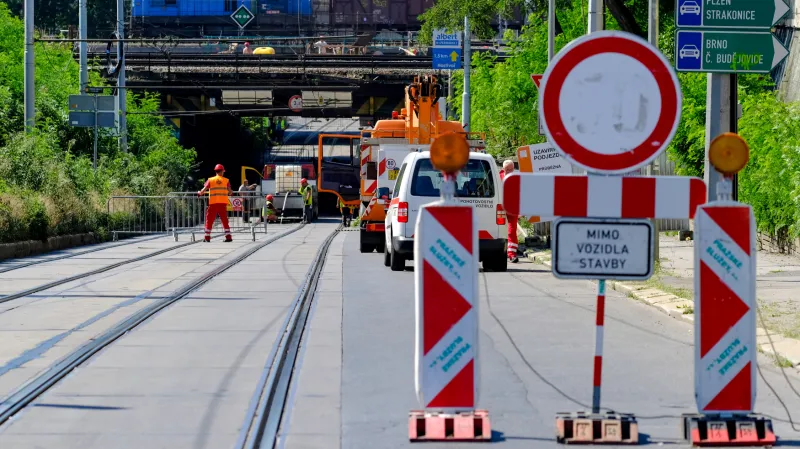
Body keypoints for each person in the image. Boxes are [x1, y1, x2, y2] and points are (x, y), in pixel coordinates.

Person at [198, 164, 233, 242]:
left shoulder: (210, 180)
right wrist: (230, 193)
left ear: (216, 171)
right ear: (222, 171)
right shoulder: (226, 180)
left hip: (213, 203)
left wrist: (199, 193)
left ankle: (207, 237)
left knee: (209, 220)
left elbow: (204, 190)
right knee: (224, 220)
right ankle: (228, 237)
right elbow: (230, 192)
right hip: (222, 203)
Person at [499, 160, 519, 263]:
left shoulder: (517, 178)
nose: (510, 171)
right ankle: (500, 251)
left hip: (513, 208)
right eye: (507, 170)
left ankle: (511, 254)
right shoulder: (498, 177)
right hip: (500, 208)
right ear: (503, 169)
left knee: (511, 230)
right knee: (499, 230)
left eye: (511, 169)